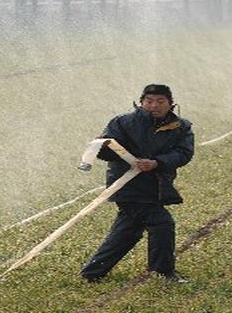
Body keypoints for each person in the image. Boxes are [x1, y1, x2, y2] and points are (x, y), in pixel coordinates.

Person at [80, 84, 194, 283]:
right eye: (149, 101)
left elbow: (184, 153)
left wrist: (157, 163)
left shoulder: (181, 127)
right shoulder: (123, 122)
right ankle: (162, 272)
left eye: (160, 101)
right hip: (127, 185)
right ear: (141, 102)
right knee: (162, 223)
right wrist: (100, 145)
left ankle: (93, 272)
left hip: (157, 185)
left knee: (128, 229)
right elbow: (108, 151)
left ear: (171, 104)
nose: (154, 106)